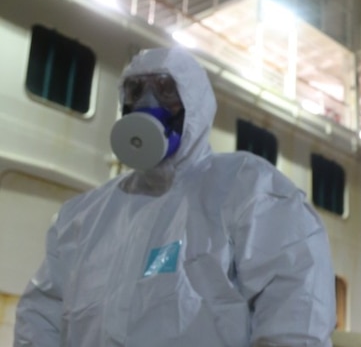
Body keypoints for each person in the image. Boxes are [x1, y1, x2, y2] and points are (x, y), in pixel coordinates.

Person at [14, 46, 336, 347]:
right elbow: (41, 315)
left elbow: (297, 310)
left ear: (195, 102)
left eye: (166, 90)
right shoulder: (82, 217)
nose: (147, 102)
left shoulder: (247, 189)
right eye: (135, 91)